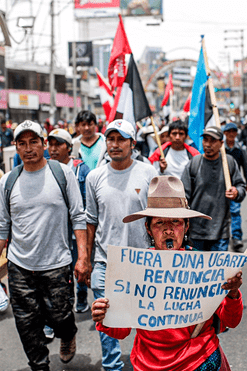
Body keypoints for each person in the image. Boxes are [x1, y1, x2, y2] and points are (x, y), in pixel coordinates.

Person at [92, 175, 243, 371]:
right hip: (149, 365)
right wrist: (104, 316)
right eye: (160, 223)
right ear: (148, 228)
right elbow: (121, 331)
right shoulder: (133, 268)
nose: (169, 230)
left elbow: (231, 320)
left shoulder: (205, 267)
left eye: (175, 222)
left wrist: (232, 294)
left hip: (199, 361)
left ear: (186, 226)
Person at [0, 120, 89, 370]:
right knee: (27, 325)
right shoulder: (8, 181)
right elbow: (1, 226)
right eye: (22, 143)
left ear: (43, 144)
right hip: (19, 266)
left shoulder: (62, 173)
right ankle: (40, 366)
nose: (28, 149)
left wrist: (82, 257)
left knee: (61, 317)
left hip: (57, 264)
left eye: (33, 142)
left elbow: (78, 216)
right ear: (15, 147)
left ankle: (68, 334)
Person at [86, 119, 158, 371]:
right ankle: (112, 367)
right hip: (106, 264)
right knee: (107, 324)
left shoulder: (148, 172)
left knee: (148, 325)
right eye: (110, 139)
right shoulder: (95, 177)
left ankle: (147, 364)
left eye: (121, 139)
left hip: (143, 263)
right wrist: (85, 258)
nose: (115, 145)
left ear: (133, 143)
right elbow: (91, 221)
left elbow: (158, 218)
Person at [181, 126, 246, 252]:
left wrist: (236, 192)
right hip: (196, 232)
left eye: (213, 141)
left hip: (221, 231)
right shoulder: (194, 164)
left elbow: (241, 187)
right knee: (197, 270)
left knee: (218, 271)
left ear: (221, 143)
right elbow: (183, 196)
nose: (208, 144)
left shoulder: (229, 163)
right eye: (205, 140)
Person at [48, 128, 92, 313]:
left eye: (58, 144)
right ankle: (67, 298)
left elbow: (87, 201)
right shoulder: (45, 168)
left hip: (76, 230)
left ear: (69, 147)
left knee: (78, 264)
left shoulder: (81, 169)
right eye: (51, 144)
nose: (53, 149)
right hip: (55, 230)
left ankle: (81, 295)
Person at [223, 122, 247, 251]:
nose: (231, 135)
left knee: (235, 212)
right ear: (225, 133)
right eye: (228, 132)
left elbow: (245, 166)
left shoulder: (240, 149)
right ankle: (221, 237)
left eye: (233, 132)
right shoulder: (221, 148)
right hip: (221, 185)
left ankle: (236, 237)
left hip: (234, 184)